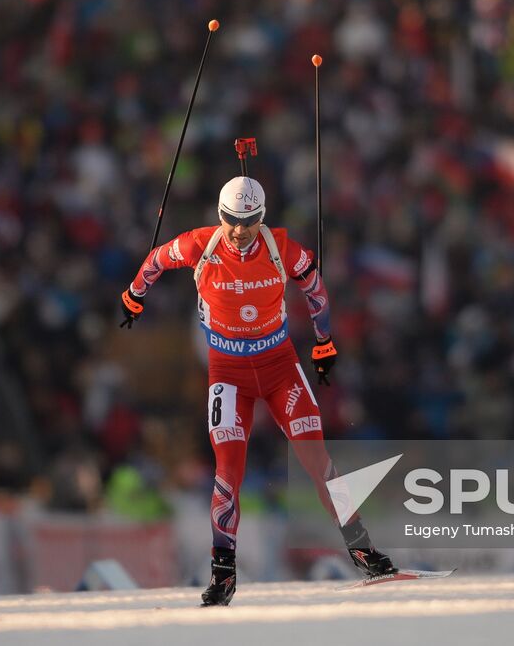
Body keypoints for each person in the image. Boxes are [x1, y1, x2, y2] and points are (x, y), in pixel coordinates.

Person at [120, 176, 394, 606]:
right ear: (219, 215)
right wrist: (134, 295)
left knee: (317, 460)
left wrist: (324, 341)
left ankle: (363, 549)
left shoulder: (280, 247)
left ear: (261, 217)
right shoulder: (201, 244)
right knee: (228, 470)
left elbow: (315, 286)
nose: (239, 230)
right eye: (231, 219)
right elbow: (155, 259)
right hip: (227, 373)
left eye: (248, 221)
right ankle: (223, 574)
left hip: (279, 366)